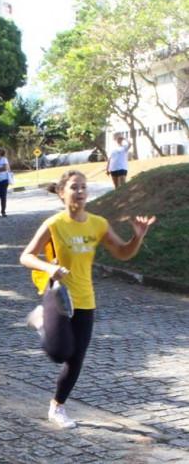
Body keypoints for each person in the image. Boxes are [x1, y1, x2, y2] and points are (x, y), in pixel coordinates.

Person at [20, 170, 155, 429]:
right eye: (74, 187)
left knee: (76, 359)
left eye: (83, 187)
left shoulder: (98, 224)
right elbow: (26, 256)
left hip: (85, 299)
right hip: (58, 295)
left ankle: (57, 407)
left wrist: (137, 238)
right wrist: (49, 268)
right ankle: (40, 321)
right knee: (59, 353)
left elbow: (123, 253)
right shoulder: (54, 224)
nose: (80, 192)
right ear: (62, 193)